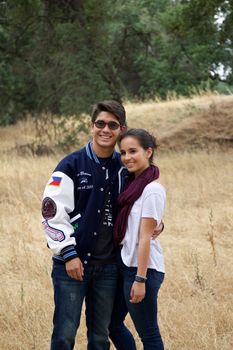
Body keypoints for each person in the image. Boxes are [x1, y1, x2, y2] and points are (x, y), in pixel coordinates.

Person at [41, 100, 136, 350]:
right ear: (91, 126)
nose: (106, 129)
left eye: (112, 125)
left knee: (99, 337)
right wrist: (69, 254)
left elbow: (139, 207)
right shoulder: (71, 165)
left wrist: (156, 225)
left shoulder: (125, 168)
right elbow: (51, 213)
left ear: (121, 130)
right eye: (100, 123)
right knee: (64, 335)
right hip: (72, 265)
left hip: (108, 268)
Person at [110, 128, 166, 350]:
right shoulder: (131, 185)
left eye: (133, 151)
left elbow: (145, 238)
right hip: (126, 264)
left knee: (149, 335)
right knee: (111, 323)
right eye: (123, 152)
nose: (127, 158)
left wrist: (140, 280)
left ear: (148, 151)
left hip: (143, 269)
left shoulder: (152, 189)